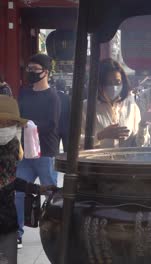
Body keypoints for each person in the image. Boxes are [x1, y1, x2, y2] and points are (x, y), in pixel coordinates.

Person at [0, 95, 56, 261]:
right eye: (0, 123)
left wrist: (37, 188)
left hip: (7, 220)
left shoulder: (13, 146)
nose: (4, 127)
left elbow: (9, 180)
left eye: (9, 123)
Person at [16, 54, 60, 248]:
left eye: (36, 69)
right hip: (24, 153)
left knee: (50, 193)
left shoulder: (53, 96)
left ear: (46, 72)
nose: (31, 72)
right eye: (29, 69)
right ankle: (16, 232)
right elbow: (18, 116)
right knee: (18, 191)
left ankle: (56, 229)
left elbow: (52, 124)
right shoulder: (24, 93)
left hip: (45, 153)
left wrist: (31, 125)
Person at [82, 58, 151, 148]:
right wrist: (100, 136)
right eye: (108, 83)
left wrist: (143, 124)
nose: (114, 87)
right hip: (98, 161)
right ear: (99, 84)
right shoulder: (87, 107)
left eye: (117, 82)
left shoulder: (131, 106)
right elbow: (76, 142)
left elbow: (140, 144)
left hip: (126, 161)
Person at [55, 79, 71, 150]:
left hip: (55, 127)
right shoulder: (68, 98)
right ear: (64, 87)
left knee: (55, 151)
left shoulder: (53, 97)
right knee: (67, 150)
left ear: (56, 86)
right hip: (66, 127)